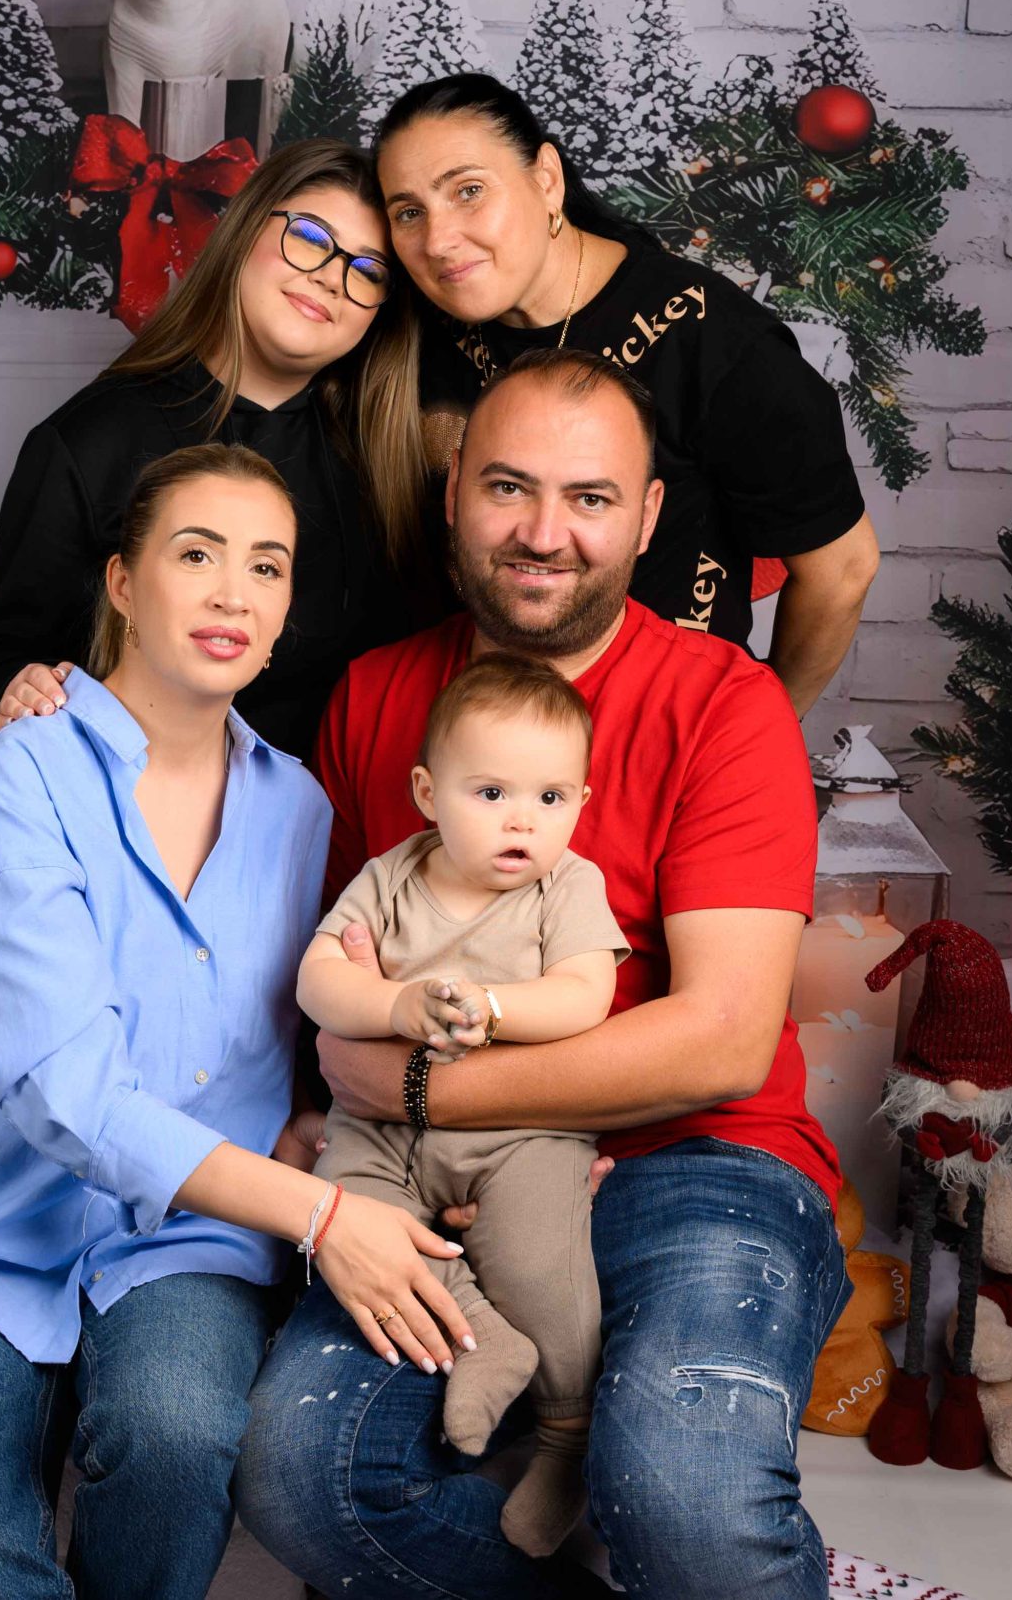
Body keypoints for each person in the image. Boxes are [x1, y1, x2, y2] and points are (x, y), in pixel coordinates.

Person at [238, 351, 848, 1599]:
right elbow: (341, 963)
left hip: (701, 1158)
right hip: (433, 1177)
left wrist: (421, 1090)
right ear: (454, 490)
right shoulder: (377, 693)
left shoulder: (722, 704)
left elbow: (722, 1038)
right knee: (303, 1475)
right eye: (507, 486)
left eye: (589, 497)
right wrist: (347, 1123)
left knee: (687, 1500)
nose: (542, 532)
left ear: (648, 516)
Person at [0, 445, 477, 1600]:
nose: (234, 592)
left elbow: (324, 1029)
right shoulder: (18, 777)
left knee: (181, 1431)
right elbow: (72, 1098)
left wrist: (403, 1149)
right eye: (197, 554)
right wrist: (324, 1213)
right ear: (124, 582)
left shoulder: (303, 808)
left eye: (267, 565)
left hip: (186, 1241)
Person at [373, 72, 882, 717]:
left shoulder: (713, 339)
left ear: (546, 179)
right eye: (408, 212)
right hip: (464, 732)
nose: (438, 240)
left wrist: (756, 734)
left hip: (661, 726)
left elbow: (842, 569)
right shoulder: (409, 333)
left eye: (469, 191)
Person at [296, 652, 629, 1556]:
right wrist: (395, 1006)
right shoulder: (389, 877)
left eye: (551, 798)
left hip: (522, 1134)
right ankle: (482, 1335)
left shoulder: (568, 887)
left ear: (581, 803)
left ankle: (565, 1433)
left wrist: (493, 1010)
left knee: (540, 1262)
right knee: (350, 1222)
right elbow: (319, 980)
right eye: (491, 793)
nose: (524, 820)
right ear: (427, 794)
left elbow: (585, 995)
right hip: (379, 1130)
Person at [0, 137, 436, 760]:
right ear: (244, 231)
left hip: (333, 812)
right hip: (132, 804)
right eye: (310, 237)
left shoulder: (385, 464)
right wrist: (22, 685)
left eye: (369, 271)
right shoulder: (89, 439)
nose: (330, 277)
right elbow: (2, 656)